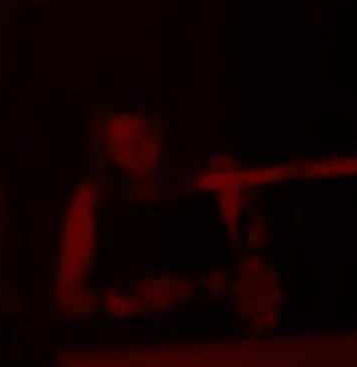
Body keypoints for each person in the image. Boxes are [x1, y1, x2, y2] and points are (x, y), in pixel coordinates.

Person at [54, 105, 275, 340]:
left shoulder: (216, 176)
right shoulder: (95, 196)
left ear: (166, 132)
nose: (133, 156)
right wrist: (109, 302)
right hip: (128, 345)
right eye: (118, 146)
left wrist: (194, 288)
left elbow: (257, 276)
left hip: (211, 339)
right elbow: (67, 296)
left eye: (144, 139)